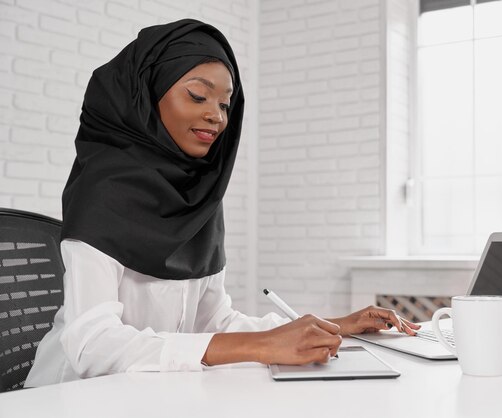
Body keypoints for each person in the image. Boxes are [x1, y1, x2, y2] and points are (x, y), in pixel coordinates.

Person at [25, 19, 419, 387]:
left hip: (153, 390)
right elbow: (93, 344)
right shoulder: (102, 188)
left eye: (226, 105)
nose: (216, 117)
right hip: (74, 394)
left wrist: (332, 325)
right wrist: (263, 346)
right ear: (147, 96)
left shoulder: (199, 194)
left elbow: (214, 321)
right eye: (198, 96)